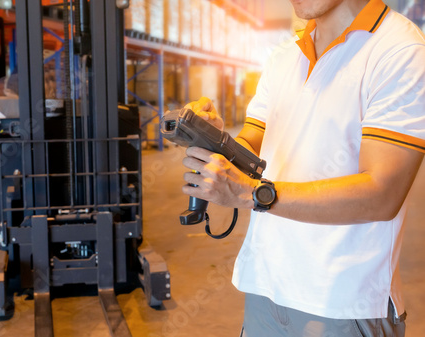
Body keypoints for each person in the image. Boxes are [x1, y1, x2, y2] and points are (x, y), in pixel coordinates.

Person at [181, 0, 425, 336]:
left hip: (342, 305)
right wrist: (216, 139)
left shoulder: (399, 50)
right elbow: (252, 148)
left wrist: (253, 194)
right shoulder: (284, 55)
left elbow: (382, 194)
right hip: (265, 290)